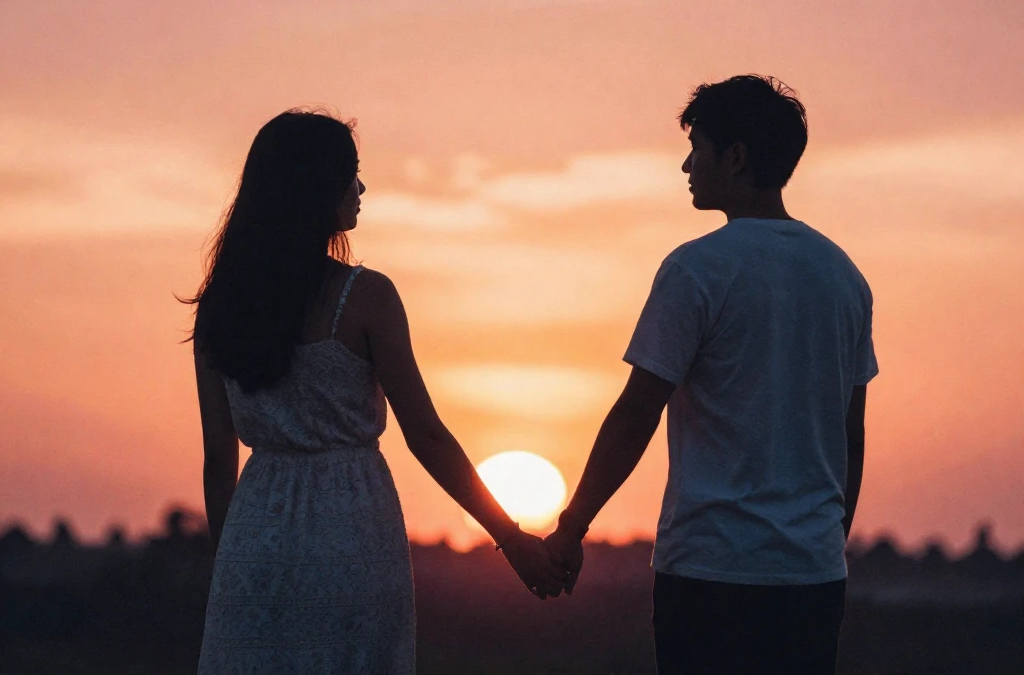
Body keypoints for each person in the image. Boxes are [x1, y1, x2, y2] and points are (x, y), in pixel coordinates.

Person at [189, 110, 566, 674]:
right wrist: (509, 538)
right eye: (351, 174)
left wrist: (233, 568)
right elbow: (428, 437)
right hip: (351, 536)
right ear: (315, 186)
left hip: (253, 543)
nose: (361, 188)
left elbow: (219, 460)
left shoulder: (219, 307)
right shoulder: (365, 296)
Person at [546, 75, 877, 675]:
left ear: (736, 157)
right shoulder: (844, 277)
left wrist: (572, 526)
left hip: (709, 573)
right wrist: (826, 541)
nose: (685, 165)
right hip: (813, 577)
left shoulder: (695, 270)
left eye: (696, 147)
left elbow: (637, 411)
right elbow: (849, 433)